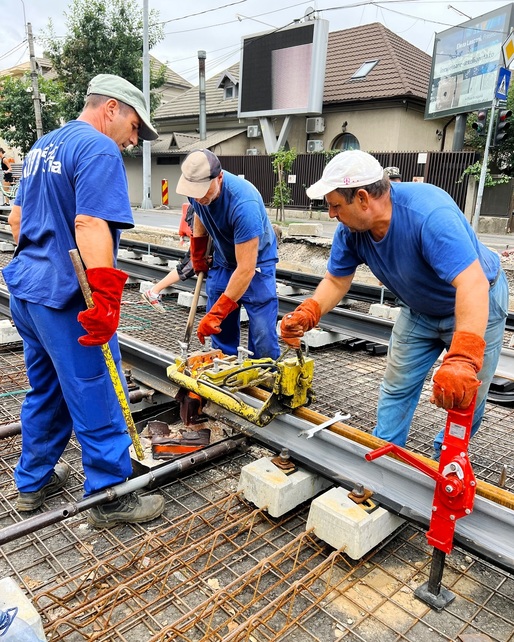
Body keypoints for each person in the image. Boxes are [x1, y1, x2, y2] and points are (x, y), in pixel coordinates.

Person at [3, 74, 166, 528]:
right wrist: (106, 300)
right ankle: (110, 496)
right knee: (98, 391)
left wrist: (42, 262)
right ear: (111, 109)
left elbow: (17, 219)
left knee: (49, 390)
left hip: (30, 293)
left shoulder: (41, 148)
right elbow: (90, 224)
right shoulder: (98, 148)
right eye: (135, 126)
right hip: (67, 300)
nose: (134, 140)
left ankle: (32, 484)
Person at [280, 150, 508, 459]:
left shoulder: (428, 214)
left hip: (476, 302)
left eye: (335, 205)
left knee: (467, 394)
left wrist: (463, 357)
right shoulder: (352, 232)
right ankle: (385, 455)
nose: (331, 214)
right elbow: (336, 281)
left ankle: (449, 457)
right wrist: (310, 311)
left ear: (363, 198)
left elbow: (472, 283)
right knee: (397, 385)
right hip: (419, 309)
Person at [176, 149, 280, 359]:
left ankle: (265, 375)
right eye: (195, 192)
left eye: (204, 191)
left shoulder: (244, 204)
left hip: (255, 264)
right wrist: (197, 250)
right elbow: (199, 214)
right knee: (221, 333)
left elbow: (246, 269)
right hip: (224, 261)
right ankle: (225, 372)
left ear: (219, 177)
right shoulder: (197, 189)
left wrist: (216, 312)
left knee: (262, 337)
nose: (199, 197)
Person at [141, 204, 195, 313]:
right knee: (190, 265)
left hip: (205, 213)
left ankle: (154, 292)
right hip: (202, 214)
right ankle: (153, 292)